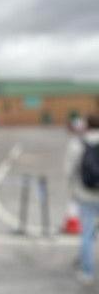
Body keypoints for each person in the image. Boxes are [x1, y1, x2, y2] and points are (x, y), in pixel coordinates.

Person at [64, 114, 99, 284]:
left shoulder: (77, 144)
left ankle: (87, 271)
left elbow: (69, 171)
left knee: (87, 233)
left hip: (85, 195)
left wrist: (71, 193)